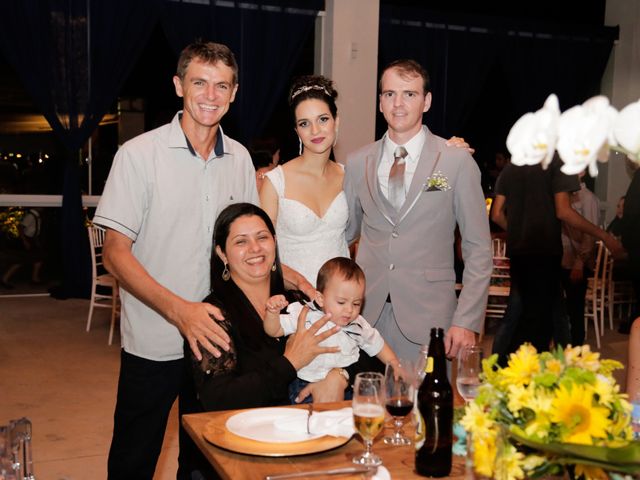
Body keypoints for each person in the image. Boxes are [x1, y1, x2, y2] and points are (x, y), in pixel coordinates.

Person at [93, 41, 258, 479]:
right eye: (199, 82)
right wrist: (179, 312)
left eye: (221, 85)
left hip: (220, 342)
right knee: (134, 459)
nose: (210, 95)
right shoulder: (137, 155)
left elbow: (245, 245)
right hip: (155, 339)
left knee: (205, 461)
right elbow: (114, 253)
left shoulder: (239, 158)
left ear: (234, 93)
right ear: (178, 85)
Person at [344, 59, 493, 362]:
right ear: (380, 102)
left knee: (424, 407)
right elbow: (345, 233)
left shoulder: (455, 161)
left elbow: (479, 249)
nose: (398, 103)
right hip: (364, 316)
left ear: (426, 101)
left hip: (429, 317)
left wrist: (466, 320)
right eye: (389, 94)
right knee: (366, 406)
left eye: (409, 94)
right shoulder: (358, 162)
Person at [188, 204, 383, 413]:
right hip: (252, 436)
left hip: (316, 428)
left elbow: (372, 359)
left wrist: (340, 377)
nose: (255, 248)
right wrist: (290, 362)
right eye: (241, 241)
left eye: (262, 237)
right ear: (222, 254)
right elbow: (219, 399)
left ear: (275, 242)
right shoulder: (212, 316)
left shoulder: (298, 301)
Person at [491, 156, 624, 358]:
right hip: (545, 254)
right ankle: (523, 374)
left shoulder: (511, 167)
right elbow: (563, 211)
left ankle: (558, 361)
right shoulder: (558, 164)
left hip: (519, 255)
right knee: (537, 328)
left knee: (541, 314)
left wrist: (519, 233)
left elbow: (496, 214)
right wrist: (605, 236)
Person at [264, 257, 398, 403]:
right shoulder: (307, 314)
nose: (349, 310)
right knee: (314, 421)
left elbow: (378, 345)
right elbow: (274, 330)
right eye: (341, 302)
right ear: (320, 299)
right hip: (305, 385)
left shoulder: (358, 324)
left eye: (356, 303)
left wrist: (395, 364)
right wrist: (272, 313)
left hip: (346, 386)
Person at [259, 75, 349, 293]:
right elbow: (262, 254)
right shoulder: (276, 182)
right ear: (296, 131)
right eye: (304, 123)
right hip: (292, 300)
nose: (315, 131)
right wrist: (302, 286)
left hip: (341, 305)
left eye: (323, 119)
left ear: (336, 122)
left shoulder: (349, 175)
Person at [560, 171, 600, 346]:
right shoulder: (562, 196)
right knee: (560, 309)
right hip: (560, 259)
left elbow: (590, 234)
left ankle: (576, 349)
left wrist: (579, 263)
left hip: (576, 263)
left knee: (575, 309)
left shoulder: (588, 198)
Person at [1, 207, 44, 288]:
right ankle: (4, 279)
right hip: (26, 239)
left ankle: (34, 279)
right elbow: (20, 227)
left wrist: (35, 240)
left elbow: (34, 230)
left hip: (31, 239)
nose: (43, 208)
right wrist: (25, 241)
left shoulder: (36, 216)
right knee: (20, 260)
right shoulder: (31, 216)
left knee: (38, 259)